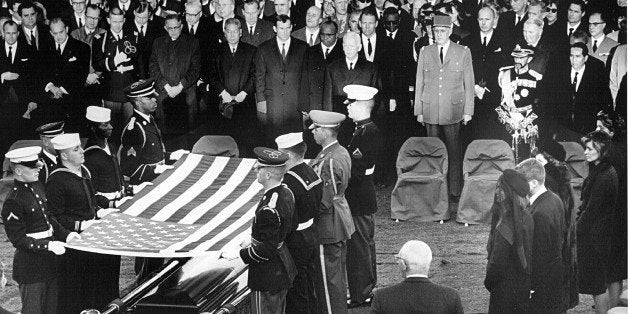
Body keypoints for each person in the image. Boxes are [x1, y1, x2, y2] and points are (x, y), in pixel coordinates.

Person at [118, 78, 188, 282]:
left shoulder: (149, 121)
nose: (155, 99)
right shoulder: (134, 129)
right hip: (146, 192)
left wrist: (172, 156)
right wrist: (158, 169)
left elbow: (156, 153)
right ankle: (143, 282)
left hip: (158, 189)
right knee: (148, 243)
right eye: (150, 97)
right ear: (138, 101)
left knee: (158, 241)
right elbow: (129, 168)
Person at [45, 132, 118, 313]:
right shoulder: (56, 179)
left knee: (101, 283)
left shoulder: (84, 171)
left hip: (93, 238)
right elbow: (54, 216)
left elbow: (91, 201)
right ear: (64, 155)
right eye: (76, 149)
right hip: (74, 245)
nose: (82, 151)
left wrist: (101, 211)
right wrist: (80, 226)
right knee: (78, 292)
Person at [1, 146, 79, 314]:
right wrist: (47, 246)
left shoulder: (36, 187)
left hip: (48, 264)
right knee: (34, 310)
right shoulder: (14, 200)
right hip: (31, 267)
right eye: (32, 166)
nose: (38, 168)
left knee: (51, 309)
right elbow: (18, 239)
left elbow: (49, 219)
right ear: (19, 171)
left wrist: (66, 234)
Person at [220, 147, 296, 314]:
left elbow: (267, 250)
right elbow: (289, 228)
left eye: (260, 167)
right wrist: (254, 238)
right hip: (281, 267)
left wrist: (240, 253)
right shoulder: (286, 192)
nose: (255, 168)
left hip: (267, 275)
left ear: (268, 175)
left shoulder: (269, 207)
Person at [414, 14, 474, 200]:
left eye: (442, 31)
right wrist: (419, 110)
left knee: (454, 152)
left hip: (453, 110)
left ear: (449, 31)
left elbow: (469, 84)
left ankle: (454, 191)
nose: (438, 34)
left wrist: (468, 111)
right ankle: (435, 190)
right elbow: (419, 82)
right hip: (430, 109)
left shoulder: (463, 52)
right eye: (436, 30)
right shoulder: (425, 51)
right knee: (433, 152)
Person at [309, 109, 354, 314]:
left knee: (328, 283)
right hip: (338, 221)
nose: (312, 131)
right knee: (335, 278)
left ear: (326, 131)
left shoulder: (330, 158)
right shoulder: (335, 151)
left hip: (328, 225)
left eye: (316, 128)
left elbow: (325, 198)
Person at [275, 132, 323, 314]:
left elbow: (286, 218)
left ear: (287, 155)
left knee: (296, 290)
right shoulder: (311, 172)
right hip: (310, 234)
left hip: (295, 241)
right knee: (308, 283)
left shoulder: (289, 182)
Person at [343, 85, 382, 308]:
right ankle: (363, 290)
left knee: (360, 247)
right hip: (359, 197)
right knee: (362, 245)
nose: (347, 106)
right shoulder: (361, 130)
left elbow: (360, 169)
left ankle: (362, 293)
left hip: (359, 197)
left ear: (360, 105)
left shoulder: (369, 132)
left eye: (350, 103)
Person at [533, 138, 579, 311]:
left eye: (540, 161)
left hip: (556, 248)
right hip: (561, 247)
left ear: (550, 161)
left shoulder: (551, 183)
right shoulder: (561, 179)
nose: (536, 167)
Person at [515, 158, 565, 313]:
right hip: (554, 281)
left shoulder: (539, 213)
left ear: (535, 182)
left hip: (542, 287)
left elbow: (539, 255)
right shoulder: (554, 199)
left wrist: (531, 287)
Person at [577, 131, 618, 314]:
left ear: (601, 150)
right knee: (597, 285)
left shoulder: (604, 175)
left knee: (597, 286)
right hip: (597, 234)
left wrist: (575, 230)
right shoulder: (602, 171)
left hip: (596, 237)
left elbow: (591, 211)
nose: (585, 152)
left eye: (589, 148)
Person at [206, 17, 257, 156]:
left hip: (245, 104)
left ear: (241, 32)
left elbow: (255, 75)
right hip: (223, 104)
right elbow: (212, 75)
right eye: (229, 31)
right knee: (225, 142)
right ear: (225, 33)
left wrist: (244, 93)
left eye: (235, 31)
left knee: (245, 142)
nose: (232, 35)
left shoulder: (251, 51)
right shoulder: (216, 51)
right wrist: (222, 92)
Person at [485, 169, 533, 314]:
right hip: (523, 287)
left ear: (508, 192)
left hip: (504, 292)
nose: (497, 192)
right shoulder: (527, 216)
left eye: (501, 188)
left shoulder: (506, 225)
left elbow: (497, 263)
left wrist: (488, 281)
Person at [254, 14, 308, 142]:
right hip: (273, 104)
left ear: (291, 28)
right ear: (274, 29)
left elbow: (307, 78)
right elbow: (259, 77)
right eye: (281, 28)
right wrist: (261, 101)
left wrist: (306, 103)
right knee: (273, 140)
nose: (284, 32)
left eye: (287, 28)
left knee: (294, 141)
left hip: (295, 104)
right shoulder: (263, 48)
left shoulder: (303, 48)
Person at [370, 240, 463, 313]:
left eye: (398, 259)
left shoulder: (382, 297)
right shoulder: (452, 296)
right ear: (429, 262)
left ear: (403, 264)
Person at [92, 7, 140, 142]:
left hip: (129, 91)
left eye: (120, 21)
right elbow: (97, 64)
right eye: (114, 21)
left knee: (129, 129)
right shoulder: (100, 39)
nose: (117, 25)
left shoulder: (133, 37)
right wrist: (115, 61)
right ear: (108, 20)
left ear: (124, 20)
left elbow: (140, 63)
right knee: (110, 130)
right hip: (110, 92)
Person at [323, 31, 379, 145]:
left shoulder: (370, 68)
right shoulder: (332, 67)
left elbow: (375, 99)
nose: (348, 49)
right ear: (342, 47)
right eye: (346, 46)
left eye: (352, 46)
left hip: (361, 122)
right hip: (339, 120)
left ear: (359, 47)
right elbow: (327, 98)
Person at [461, 5, 508, 141]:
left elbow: (505, 69)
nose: (483, 22)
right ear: (477, 20)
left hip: (494, 95)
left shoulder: (504, 41)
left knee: (493, 134)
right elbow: (464, 69)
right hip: (472, 95)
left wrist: (488, 87)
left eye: (487, 19)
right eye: (481, 19)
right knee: (473, 135)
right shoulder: (467, 41)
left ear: (494, 20)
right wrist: (474, 86)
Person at [595, 110, 627, 308]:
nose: (596, 130)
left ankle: (611, 309)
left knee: (609, 268)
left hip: (611, 216)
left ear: (612, 132)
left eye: (601, 127)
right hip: (619, 215)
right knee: (614, 267)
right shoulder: (619, 150)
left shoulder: (609, 155)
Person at [149, 14, 200, 133]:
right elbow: (153, 67)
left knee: (188, 129)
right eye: (170, 28)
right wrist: (165, 86)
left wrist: (180, 87)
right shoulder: (158, 43)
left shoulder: (192, 42)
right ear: (165, 28)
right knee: (163, 127)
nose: (173, 31)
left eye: (176, 27)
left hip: (185, 90)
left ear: (181, 26)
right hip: (164, 90)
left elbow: (195, 69)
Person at [42, 18, 91, 131]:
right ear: (50, 33)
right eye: (55, 33)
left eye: (61, 32)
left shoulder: (82, 48)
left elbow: (81, 75)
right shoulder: (44, 47)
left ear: (67, 29)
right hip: (51, 101)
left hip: (73, 101)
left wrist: (60, 90)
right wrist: (51, 87)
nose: (58, 36)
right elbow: (41, 71)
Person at [0, 20, 38, 155]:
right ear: (2, 33)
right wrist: (3, 76)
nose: (11, 36)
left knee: (21, 137)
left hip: (22, 102)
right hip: (2, 103)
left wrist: (33, 100)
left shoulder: (29, 49)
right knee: (3, 138)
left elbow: (35, 78)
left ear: (18, 33)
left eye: (14, 33)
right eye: (7, 33)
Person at [70, 4, 107, 109]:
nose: (92, 21)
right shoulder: (75, 34)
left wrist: (95, 75)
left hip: (98, 82)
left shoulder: (104, 34)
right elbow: (73, 62)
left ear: (99, 18)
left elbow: (106, 60)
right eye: (90, 17)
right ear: (85, 16)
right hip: (79, 83)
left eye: (95, 18)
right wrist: (85, 76)